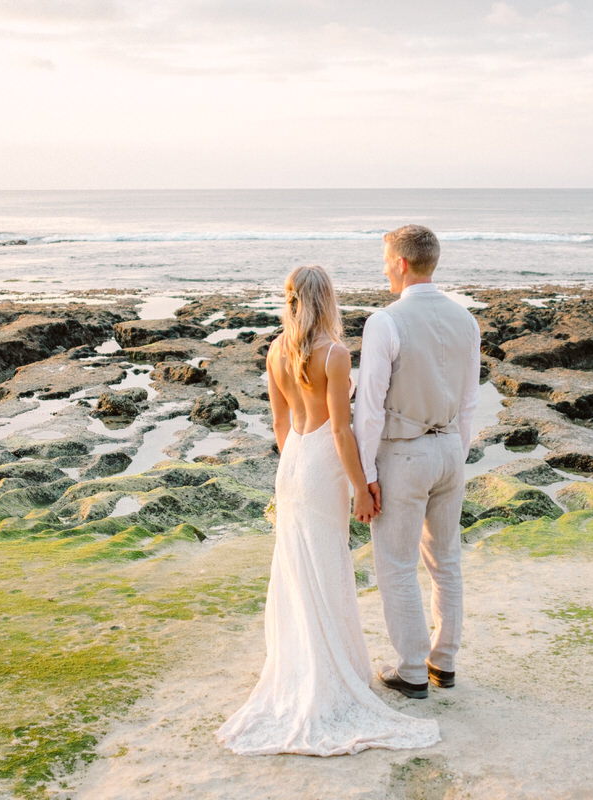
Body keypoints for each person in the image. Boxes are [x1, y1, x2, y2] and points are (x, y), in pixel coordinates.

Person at [217, 264, 439, 756]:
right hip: (322, 464)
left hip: (293, 460)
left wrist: (293, 467)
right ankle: (331, 674)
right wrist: (362, 487)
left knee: (299, 570)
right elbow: (341, 431)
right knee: (327, 566)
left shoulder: (276, 349)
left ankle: (303, 666)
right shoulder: (334, 354)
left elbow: (279, 422)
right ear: (328, 300)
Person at [353, 225, 480, 700]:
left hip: (404, 453)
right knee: (446, 562)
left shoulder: (385, 321)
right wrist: (454, 454)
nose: (384, 267)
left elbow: (369, 408)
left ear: (401, 263)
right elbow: (469, 401)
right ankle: (442, 664)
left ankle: (410, 669)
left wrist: (365, 477)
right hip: (450, 449)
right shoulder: (466, 320)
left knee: (397, 564)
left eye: (386, 259)